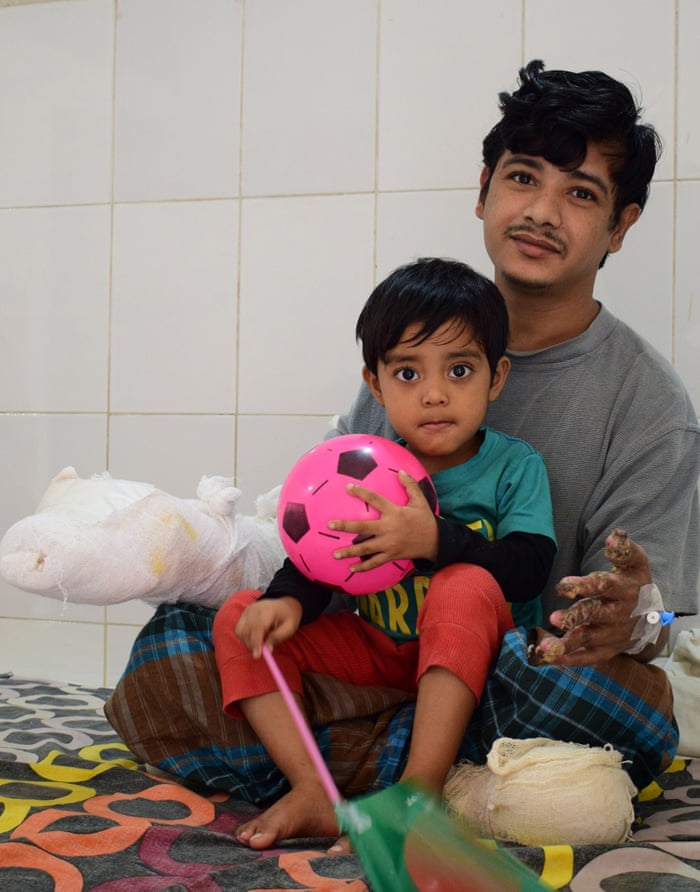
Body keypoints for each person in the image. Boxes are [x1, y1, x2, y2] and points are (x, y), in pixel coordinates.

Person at [105, 59, 698, 850]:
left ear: (620, 227)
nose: (541, 211)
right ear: (484, 190)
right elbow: (322, 552)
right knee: (183, 640)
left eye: (581, 193)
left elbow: (665, 624)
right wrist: (276, 597)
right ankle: (437, 785)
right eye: (523, 177)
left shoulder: (650, 405)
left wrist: (637, 616)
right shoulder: (410, 345)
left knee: (631, 699)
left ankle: (385, 774)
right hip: (379, 661)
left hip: (515, 677)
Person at [211, 257, 557, 847]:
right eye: (407, 374)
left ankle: (418, 792)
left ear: (496, 377)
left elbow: (529, 570)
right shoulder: (362, 466)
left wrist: (435, 542)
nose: (434, 395)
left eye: (459, 370)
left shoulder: (513, 466)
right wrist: (287, 601)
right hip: (379, 648)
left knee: (464, 583)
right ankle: (313, 790)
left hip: (478, 659)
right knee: (239, 616)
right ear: (375, 384)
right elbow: (321, 556)